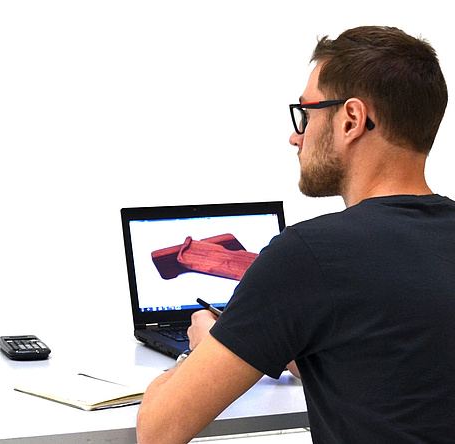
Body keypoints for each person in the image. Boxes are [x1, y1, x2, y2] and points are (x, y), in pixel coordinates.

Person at [136, 26, 453, 444]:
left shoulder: (311, 255)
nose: (295, 135)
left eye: (306, 113)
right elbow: (394, 362)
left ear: (351, 120)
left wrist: (198, 352)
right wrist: (276, 343)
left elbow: (158, 429)